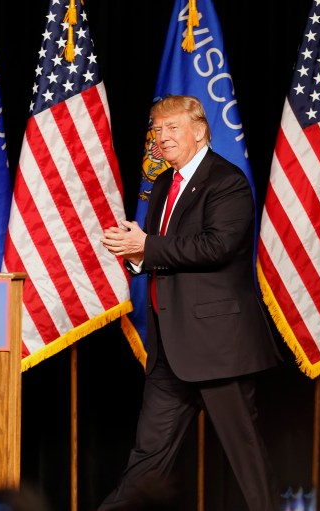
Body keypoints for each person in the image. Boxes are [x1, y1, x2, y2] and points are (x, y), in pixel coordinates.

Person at [100, 95, 282, 511]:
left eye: (171, 128)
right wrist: (135, 253)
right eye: (157, 130)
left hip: (219, 346)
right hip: (170, 348)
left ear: (199, 131)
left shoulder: (227, 181)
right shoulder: (164, 183)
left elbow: (217, 246)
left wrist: (147, 245)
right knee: (149, 454)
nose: (161, 138)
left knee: (245, 457)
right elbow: (162, 252)